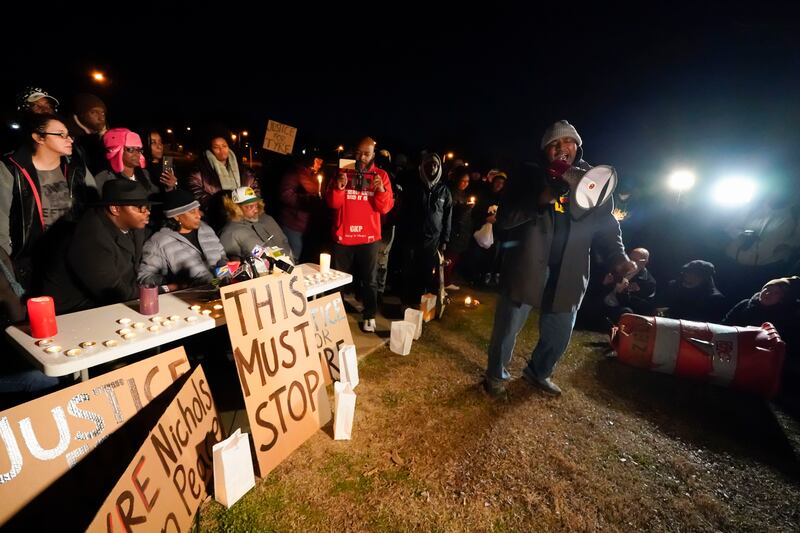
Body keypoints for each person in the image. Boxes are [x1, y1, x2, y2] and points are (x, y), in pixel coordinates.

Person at [484, 120, 636, 397]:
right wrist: (542, 197)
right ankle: (496, 374)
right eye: (554, 144)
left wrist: (619, 258)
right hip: (527, 265)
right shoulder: (528, 175)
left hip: (570, 269)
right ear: (545, 151)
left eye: (568, 142)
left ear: (577, 147)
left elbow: (607, 228)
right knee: (508, 327)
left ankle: (538, 372)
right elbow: (505, 219)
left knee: (560, 330)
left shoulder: (594, 181)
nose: (561, 147)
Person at [0, 113, 97, 292]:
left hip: (76, 258)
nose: (69, 140)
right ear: (39, 137)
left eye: (68, 135)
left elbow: (95, 210)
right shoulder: (11, 170)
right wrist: (12, 268)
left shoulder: (77, 169)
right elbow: (2, 225)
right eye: (60, 134)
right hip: (32, 265)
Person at [41, 180, 153, 313]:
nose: (147, 212)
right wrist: (161, 290)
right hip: (75, 312)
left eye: (147, 207)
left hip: (109, 302)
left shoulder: (134, 224)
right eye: (140, 208)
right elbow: (114, 293)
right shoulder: (90, 237)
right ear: (115, 209)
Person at [326, 137, 394, 332]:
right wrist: (339, 188)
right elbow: (332, 203)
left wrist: (381, 190)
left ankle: (369, 314)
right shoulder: (343, 170)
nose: (362, 157)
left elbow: (385, 208)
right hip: (344, 235)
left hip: (369, 237)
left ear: (374, 154)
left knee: (370, 279)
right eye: (359, 152)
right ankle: (335, 315)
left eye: (367, 153)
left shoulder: (381, 175)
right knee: (337, 278)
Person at [138, 189, 226, 289]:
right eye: (192, 212)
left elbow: (222, 256)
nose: (198, 215)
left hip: (222, 289)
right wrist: (172, 281)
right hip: (191, 297)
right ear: (176, 216)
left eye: (198, 209)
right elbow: (144, 278)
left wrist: (225, 268)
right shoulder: (159, 241)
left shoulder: (206, 229)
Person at [397, 152, 452, 308]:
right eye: (429, 164)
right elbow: (404, 212)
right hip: (412, 237)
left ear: (439, 168)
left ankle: (421, 303)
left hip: (432, 240)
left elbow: (447, 217)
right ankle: (406, 301)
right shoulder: (413, 187)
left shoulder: (444, 191)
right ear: (423, 166)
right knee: (409, 271)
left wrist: (445, 240)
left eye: (435, 165)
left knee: (426, 271)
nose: (432, 167)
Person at [187, 133, 260, 231]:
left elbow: (255, 191)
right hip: (219, 223)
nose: (221, 150)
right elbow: (199, 198)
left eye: (224, 146)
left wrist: (249, 206)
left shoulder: (245, 171)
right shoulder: (199, 173)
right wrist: (226, 206)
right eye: (216, 147)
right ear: (210, 150)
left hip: (247, 220)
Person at [220, 186, 293, 262]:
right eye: (250, 206)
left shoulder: (267, 219)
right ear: (236, 208)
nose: (255, 209)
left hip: (291, 268)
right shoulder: (230, 233)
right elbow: (231, 264)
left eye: (256, 204)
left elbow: (284, 242)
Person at [278, 154, 324, 260]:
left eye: (321, 162)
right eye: (317, 160)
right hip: (293, 224)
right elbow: (285, 194)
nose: (320, 164)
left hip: (308, 226)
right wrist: (306, 199)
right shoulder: (295, 173)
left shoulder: (313, 174)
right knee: (293, 256)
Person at [95, 128, 161, 197]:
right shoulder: (104, 177)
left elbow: (156, 199)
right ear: (117, 151)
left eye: (138, 149)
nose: (137, 153)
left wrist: (169, 188)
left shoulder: (144, 174)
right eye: (131, 149)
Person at [602, 247, 657, 322]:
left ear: (645, 262)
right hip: (605, 301)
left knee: (626, 313)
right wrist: (605, 283)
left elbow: (640, 307)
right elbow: (604, 289)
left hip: (620, 308)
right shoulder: (620, 269)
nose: (631, 261)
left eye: (635, 260)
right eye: (629, 258)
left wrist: (623, 292)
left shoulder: (648, 282)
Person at [661, 260, 727, 322]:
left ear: (705, 279)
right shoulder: (677, 286)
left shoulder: (715, 299)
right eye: (687, 273)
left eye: (695, 275)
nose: (687, 277)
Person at [66, 93, 109, 175]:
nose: (101, 118)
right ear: (81, 115)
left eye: (102, 113)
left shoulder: (108, 135)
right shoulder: (69, 138)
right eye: (93, 112)